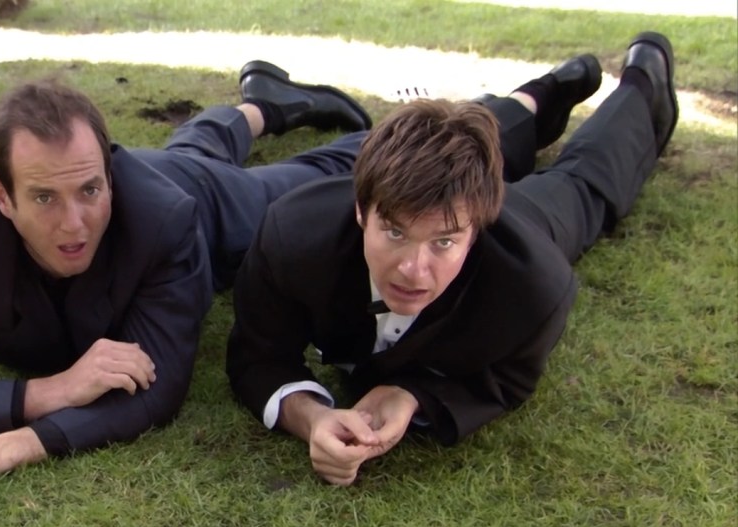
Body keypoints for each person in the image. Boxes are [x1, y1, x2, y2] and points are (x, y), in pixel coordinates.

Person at [0, 61, 373, 486]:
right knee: (190, 152)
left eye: (90, 190)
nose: (73, 224)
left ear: (109, 172)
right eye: (43, 197)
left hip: (205, 202)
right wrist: (50, 391)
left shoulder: (163, 216)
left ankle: (398, 127)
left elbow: (159, 389)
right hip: (164, 173)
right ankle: (264, 103)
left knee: (306, 183)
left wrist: (8, 447)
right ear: (1, 197)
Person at [226, 32, 678, 486]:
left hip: (525, 221)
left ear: (478, 225)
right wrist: (311, 419)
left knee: (584, 182)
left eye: (443, 242)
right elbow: (258, 354)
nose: (413, 270)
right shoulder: (294, 236)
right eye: (395, 232)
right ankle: (542, 96)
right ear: (361, 209)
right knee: (462, 136)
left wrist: (413, 396)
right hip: (415, 198)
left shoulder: (531, 280)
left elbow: (508, 380)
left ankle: (643, 86)